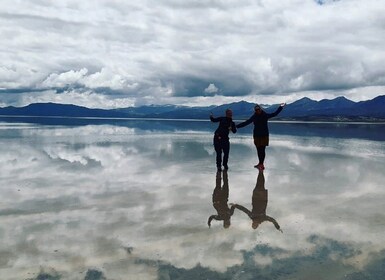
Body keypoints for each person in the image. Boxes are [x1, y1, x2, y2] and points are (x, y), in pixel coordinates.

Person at [236, 103, 285, 170]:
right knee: (259, 150)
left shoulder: (265, 115)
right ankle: (260, 163)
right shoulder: (254, 116)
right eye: (256, 110)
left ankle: (262, 164)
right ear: (255, 110)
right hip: (256, 135)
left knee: (262, 150)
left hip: (264, 135)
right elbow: (246, 122)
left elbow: (275, 114)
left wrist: (281, 107)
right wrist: (236, 126)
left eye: (258, 109)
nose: (257, 111)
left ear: (260, 109)